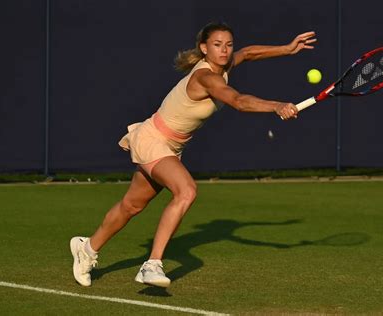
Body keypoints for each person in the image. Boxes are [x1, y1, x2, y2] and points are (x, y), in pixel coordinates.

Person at [70, 22, 316, 288]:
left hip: (172, 145)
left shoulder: (225, 64)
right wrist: (277, 106)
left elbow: (248, 53)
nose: (224, 50)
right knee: (186, 191)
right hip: (153, 138)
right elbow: (238, 101)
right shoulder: (206, 77)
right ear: (204, 48)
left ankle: (87, 248)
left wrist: (287, 49)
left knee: (132, 206)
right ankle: (152, 265)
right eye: (217, 45)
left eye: (228, 44)